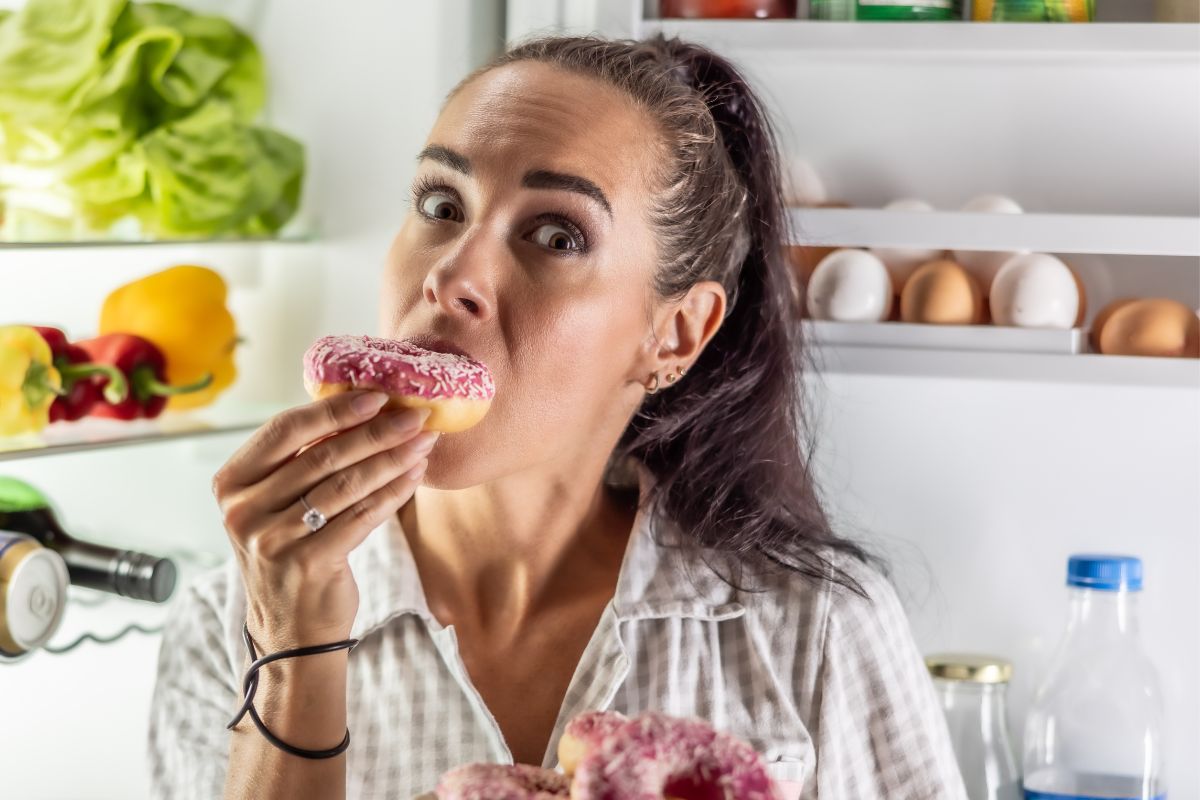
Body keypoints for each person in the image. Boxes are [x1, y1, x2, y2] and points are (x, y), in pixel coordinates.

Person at [148, 34, 967, 800]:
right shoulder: (222, 630)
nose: (453, 275)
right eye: (441, 203)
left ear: (674, 334)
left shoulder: (819, 629)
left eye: (554, 234)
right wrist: (294, 651)